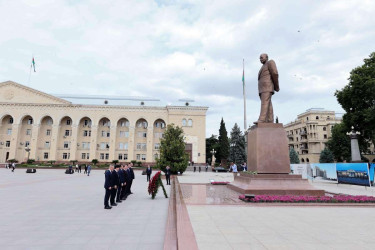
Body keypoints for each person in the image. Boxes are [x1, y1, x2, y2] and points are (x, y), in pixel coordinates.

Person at [254, 53, 279, 124]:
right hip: (262, 89)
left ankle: (262, 119)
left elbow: (275, 73)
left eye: (261, 58)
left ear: (267, 57)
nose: (260, 59)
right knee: (268, 104)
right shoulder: (263, 66)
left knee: (264, 103)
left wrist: (276, 86)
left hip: (267, 87)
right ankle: (270, 120)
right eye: (259, 58)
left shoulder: (270, 62)